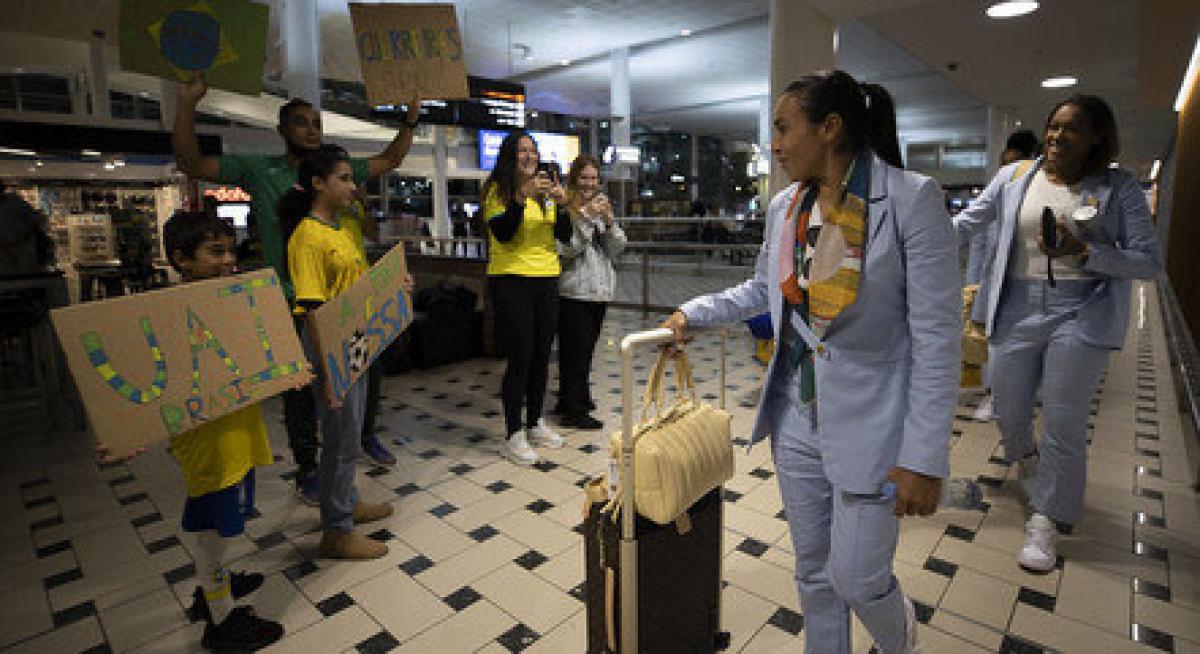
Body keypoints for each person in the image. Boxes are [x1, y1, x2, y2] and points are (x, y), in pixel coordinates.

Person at [663, 70, 960, 654]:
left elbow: (937, 338)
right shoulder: (786, 206)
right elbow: (761, 290)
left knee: (857, 577)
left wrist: (925, 456)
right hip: (796, 418)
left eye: (782, 128)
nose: (774, 144)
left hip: (875, 424)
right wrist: (694, 312)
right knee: (814, 573)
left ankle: (900, 638)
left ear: (829, 128)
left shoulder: (909, 200)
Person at [172, 73, 419, 504]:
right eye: (301, 122)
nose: (311, 128)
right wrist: (188, 104)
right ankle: (310, 467)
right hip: (295, 301)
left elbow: (389, 160)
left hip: (351, 304)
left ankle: (361, 439)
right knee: (304, 390)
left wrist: (411, 123)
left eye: (316, 122)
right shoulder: (262, 171)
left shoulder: (337, 176)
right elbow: (192, 163)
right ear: (282, 130)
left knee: (364, 377)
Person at [953, 95, 1161, 572]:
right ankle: (1030, 464)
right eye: (1052, 126)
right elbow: (967, 223)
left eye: (1071, 129)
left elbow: (1147, 261)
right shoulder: (1013, 179)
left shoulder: (1119, 189)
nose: (1056, 136)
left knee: (1065, 420)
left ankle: (1046, 519)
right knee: (1007, 406)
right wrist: (905, 237)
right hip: (1017, 306)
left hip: (1082, 309)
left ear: (1096, 138)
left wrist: (1084, 252)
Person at [161, 210, 287, 650]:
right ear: (181, 259)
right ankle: (221, 621)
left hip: (234, 429)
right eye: (215, 251)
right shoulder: (171, 316)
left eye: (231, 249)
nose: (228, 259)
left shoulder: (226, 303)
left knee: (212, 521)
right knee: (215, 531)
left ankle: (210, 590)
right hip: (210, 441)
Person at [278, 145, 403, 560]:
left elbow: (356, 290)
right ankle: (336, 530)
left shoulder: (341, 228)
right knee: (339, 438)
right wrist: (330, 375)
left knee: (349, 435)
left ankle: (345, 503)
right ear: (318, 183)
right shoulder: (307, 237)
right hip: (331, 348)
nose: (353, 186)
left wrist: (393, 292)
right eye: (345, 178)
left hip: (355, 342)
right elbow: (314, 312)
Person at [482, 132, 572, 464]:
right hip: (511, 280)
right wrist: (521, 196)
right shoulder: (497, 190)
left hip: (546, 278)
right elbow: (504, 234)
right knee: (520, 357)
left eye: (532, 151)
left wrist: (562, 207)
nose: (529, 156)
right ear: (509, 156)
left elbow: (563, 235)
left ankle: (534, 423)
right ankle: (512, 434)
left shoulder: (545, 191)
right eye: (522, 151)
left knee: (541, 356)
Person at [967, 129, 1039, 422]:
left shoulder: (1036, 194)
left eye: (1017, 162)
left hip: (1029, 284)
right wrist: (972, 283)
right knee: (992, 342)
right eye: (1006, 163)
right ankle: (994, 395)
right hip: (993, 282)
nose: (1010, 169)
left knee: (1023, 346)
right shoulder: (998, 190)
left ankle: (1017, 397)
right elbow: (978, 241)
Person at [337, 189, 410, 466]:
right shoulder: (312, 230)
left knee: (368, 374)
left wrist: (364, 207)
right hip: (334, 319)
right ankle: (341, 450)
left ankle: (364, 437)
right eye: (343, 180)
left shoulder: (352, 212)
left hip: (360, 313)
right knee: (341, 389)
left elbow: (374, 236)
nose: (351, 186)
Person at [552, 154, 625, 429]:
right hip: (573, 291)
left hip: (599, 291)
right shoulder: (565, 208)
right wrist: (586, 217)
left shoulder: (600, 206)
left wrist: (608, 222)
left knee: (585, 352)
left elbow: (617, 248)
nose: (589, 183)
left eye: (593, 178)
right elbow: (567, 249)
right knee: (574, 353)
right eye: (583, 177)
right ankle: (574, 410)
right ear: (574, 178)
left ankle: (573, 396)